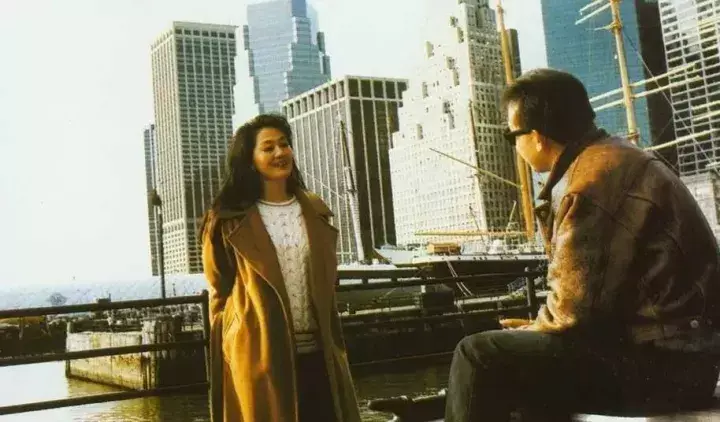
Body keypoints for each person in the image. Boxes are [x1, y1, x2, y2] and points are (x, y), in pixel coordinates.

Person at [444, 68, 720, 421]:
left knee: (478, 354)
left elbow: (575, 310)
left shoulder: (590, 184)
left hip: (667, 367)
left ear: (536, 137)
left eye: (510, 135)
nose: (513, 145)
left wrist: (539, 327)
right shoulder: (615, 159)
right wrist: (540, 328)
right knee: (522, 370)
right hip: (682, 356)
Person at [200, 114, 361, 422]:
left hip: (320, 353)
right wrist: (234, 343)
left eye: (284, 144)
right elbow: (218, 291)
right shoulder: (226, 219)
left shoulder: (315, 210)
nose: (280, 152)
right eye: (268, 147)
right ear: (250, 160)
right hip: (259, 355)